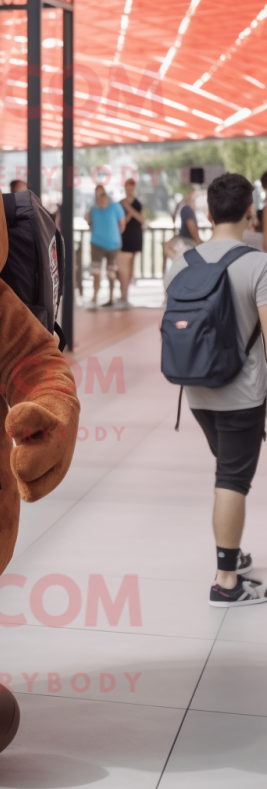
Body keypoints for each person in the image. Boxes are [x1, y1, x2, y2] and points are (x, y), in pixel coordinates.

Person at [164, 173, 267, 606]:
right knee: (232, 481)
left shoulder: (180, 264)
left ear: (207, 213)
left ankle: (234, 554)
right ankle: (226, 579)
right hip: (243, 395)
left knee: (227, 471)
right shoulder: (257, 263)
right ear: (249, 212)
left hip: (198, 393)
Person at [85, 184, 125, 309]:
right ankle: (95, 297)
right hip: (97, 243)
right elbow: (89, 223)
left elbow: (122, 225)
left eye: (102, 193)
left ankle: (111, 298)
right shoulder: (93, 208)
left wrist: (114, 237)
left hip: (113, 244)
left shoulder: (115, 207)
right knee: (96, 272)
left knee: (111, 272)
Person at [118, 179, 144, 309]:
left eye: (131, 188)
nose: (129, 190)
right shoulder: (120, 204)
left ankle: (124, 295)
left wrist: (129, 208)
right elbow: (121, 222)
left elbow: (141, 219)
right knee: (122, 269)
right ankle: (123, 294)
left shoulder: (137, 203)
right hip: (123, 238)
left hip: (135, 237)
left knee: (128, 268)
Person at [164, 189, 202, 278]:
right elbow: (191, 227)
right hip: (186, 241)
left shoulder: (186, 209)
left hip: (187, 242)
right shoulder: (186, 209)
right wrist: (199, 242)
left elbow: (191, 227)